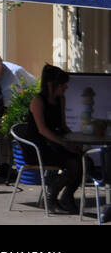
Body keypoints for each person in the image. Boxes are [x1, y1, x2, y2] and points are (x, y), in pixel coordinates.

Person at [18, 63, 84, 213]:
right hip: (38, 148)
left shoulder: (61, 99)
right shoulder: (38, 101)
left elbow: (63, 126)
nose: (65, 87)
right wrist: (65, 145)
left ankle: (67, 196)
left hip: (54, 144)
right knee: (74, 163)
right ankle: (50, 197)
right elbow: (42, 130)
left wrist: (74, 141)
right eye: (62, 84)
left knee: (85, 160)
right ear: (51, 85)